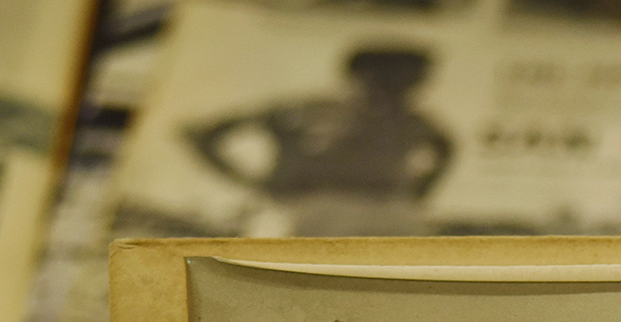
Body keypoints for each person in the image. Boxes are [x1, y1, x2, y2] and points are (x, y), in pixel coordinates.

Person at [188, 46, 453, 236]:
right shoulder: (307, 109)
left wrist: (422, 190)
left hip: (386, 214)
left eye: (415, 79)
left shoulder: (414, 120)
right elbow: (203, 134)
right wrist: (248, 182)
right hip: (304, 214)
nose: (411, 87)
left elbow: (446, 147)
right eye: (398, 79)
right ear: (363, 76)